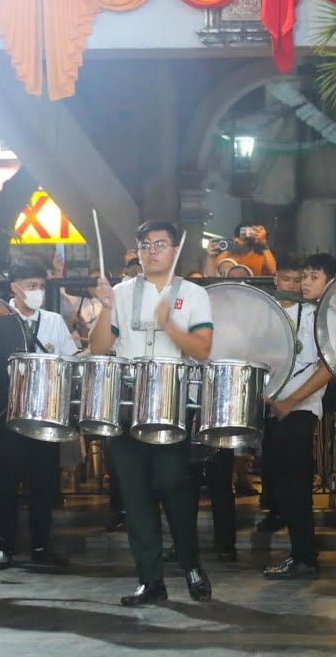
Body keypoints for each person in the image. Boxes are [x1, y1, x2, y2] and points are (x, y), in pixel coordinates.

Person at [89, 221, 213, 606]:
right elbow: (99, 347)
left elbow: (202, 348)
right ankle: (150, 580)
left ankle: (192, 566)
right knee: (136, 496)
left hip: (171, 405)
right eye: (145, 245)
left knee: (175, 488)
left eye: (160, 244)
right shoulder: (121, 292)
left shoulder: (193, 294)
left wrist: (168, 326)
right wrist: (105, 308)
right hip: (127, 405)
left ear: (175, 250)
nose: (151, 251)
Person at [0, 262, 77, 570]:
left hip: (43, 412)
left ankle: (41, 546)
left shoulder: (53, 321)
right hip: (7, 411)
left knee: (44, 482)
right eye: (31, 286)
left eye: (41, 286)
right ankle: (3, 547)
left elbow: (70, 358)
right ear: (15, 287)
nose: (38, 291)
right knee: (3, 482)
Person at [263, 253, 336, 580]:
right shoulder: (284, 312)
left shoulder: (322, 316)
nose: (304, 283)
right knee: (285, 486)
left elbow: (328, 367)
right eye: (302, 277)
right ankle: (300, 554)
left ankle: (305, 557)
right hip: (279, 408)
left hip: (301, 410)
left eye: (312, 277)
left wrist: (291, 400)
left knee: (294, 486)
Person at [257, 255, 305, 532]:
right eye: (286, 279)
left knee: (291, 464)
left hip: (297, 397)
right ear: (276, 279)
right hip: (266, 392)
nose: (292, 286)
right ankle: (273, 508)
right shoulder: (264, 308)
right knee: (269, 457)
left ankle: (289, 514)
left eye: (298, 280)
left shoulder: (309, 312)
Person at [208, 222, 277, 277]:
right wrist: (230, 245)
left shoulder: (258, 259)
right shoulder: (227, 256)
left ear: (255, 240)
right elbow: (213, 271)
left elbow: (273, 270)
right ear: (235, 237)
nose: (245, 241)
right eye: (241, 236)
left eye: (248, 238)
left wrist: (263, 243)